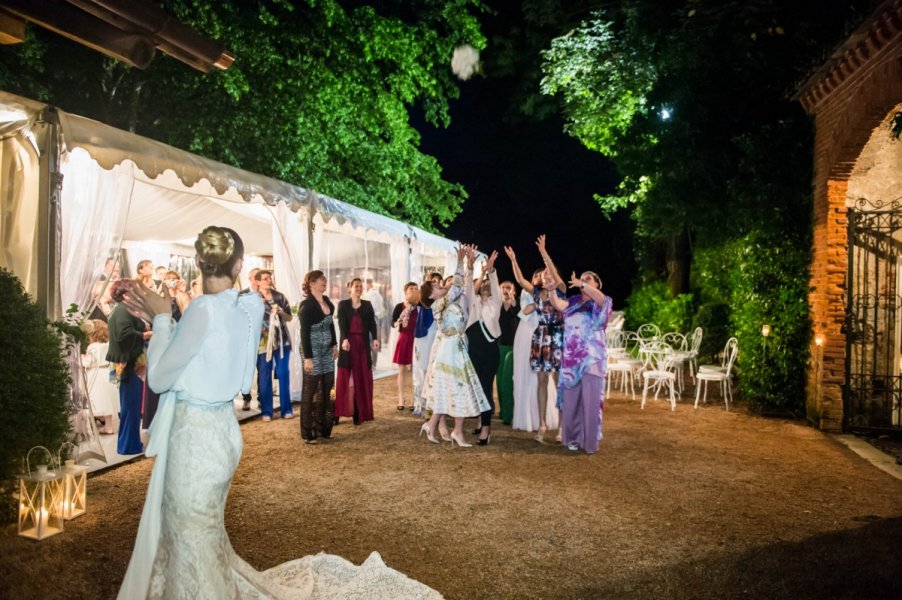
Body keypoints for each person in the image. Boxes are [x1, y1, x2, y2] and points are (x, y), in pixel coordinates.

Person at [117, 226, 438, 599]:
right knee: (201, 537)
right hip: (221, 432)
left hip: (196, 440)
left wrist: (160, 320)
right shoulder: (244, 308)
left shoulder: (203, 309)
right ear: (239, 264)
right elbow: (234, 376)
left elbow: (157, 378)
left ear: (197, 261)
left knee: (190, 537)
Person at [421, 245, 490, 448]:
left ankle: (432, 425)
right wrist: (459, 261)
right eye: (434, 287)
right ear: (431, 296)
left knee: (451, 389)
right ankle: (456, 431)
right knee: (460, 387)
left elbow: (463, 288)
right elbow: (458, 286)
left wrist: (468, 266)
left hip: (456, 347)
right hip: (450, 350)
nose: (439, 285)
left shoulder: (448, 303)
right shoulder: (439, 304)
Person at [548, 270, 613, 454]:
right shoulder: (575, 301)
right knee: (571, 402)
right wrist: (552, 291)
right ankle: (572, 439)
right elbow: (559, 305)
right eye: (581, 279)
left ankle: (590, 443)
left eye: (587, 279)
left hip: (592, 359)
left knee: (591, 403)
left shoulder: (601, 302)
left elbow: (601, 300)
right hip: (571, 361)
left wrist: (582, 284)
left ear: (597, 284)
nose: (582, 282)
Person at [531, 236, 567, 443]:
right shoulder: (537, 294)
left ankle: (562, 426)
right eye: (544, 276)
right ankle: (542, 424)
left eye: (549, 274)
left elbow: (552, 271)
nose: (546, 277)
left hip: (558, 338)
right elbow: (520, 281)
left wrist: (544, 253)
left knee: (559, 381)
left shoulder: (561, 290)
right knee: (542, 381)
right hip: (540, 339)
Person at [105, 279, 147, 455]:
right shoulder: (122, 310)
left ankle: (130, 443)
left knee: (131, 405)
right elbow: (124, 335)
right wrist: (145, 335)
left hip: (128, 362)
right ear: (125, 294)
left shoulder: (122, 310)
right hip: (128, 364)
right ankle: (129, 446)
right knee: (130, 406)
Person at [465, 249, 500, 445]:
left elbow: (494, 282)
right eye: (483, 283)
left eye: (488, 284)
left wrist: (491, 270)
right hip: (474, 352)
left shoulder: (496, 303)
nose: (486, 285)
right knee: (476, 387)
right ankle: (481, 418)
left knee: (486, 387)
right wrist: (470, 265)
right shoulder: (472, 303)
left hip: (491, 351)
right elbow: (469, 287)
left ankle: (486, 428)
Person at [299, 270, 338, 444]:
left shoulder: (328, 301)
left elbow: (331, 325)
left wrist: (335, 344)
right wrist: (308, 357)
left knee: (327, 389)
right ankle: (308, 433)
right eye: (321, 279)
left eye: (325, 278)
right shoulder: (306, 305)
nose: (325, 281)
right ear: (312, 284)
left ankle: (324, 429)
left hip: (327, 350)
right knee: (311, 391)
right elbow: (304, 333)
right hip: (312, 351)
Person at [335, 278, 380, 425]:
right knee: (346, 379)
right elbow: (342, 325)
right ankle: (338, 411)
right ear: (350, 288)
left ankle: (358, 412)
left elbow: (372, 323)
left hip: (363, 347)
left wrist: (375, 338)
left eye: (361, 286)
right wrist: (344, 340)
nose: (359, 288)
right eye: (356, 286)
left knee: (361, 379)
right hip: (348, 345)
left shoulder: (367, 305)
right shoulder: (343, 305)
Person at [255, 269, 294, 422]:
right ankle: (267, 411)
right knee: (264, 377)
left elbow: (289, 317)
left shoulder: (280, 296)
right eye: (265, 279)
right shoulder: (253, 298)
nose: (268, 281)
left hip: (282, 341)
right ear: (258, 282)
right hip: (263, 342)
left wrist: (281, 313)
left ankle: (287, 409)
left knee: (283, 373)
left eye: (269, 278)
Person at [412, 272, 443, 416]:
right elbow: (413, 298)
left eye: (438, 281)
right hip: (424, 336)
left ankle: (435, 406)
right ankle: (421, 404)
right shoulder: (423, 298)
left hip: (437, 335)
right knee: (421, 370)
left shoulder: (443, 299)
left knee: (435, 371)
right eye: (433, 282)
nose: (437, 283)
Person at [82, 320, 118, 434]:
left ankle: (87, 427)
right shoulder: (108, 344)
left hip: (96, 374)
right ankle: (109, 426)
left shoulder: (93, 346)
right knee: (107, 401)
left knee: (93, 399)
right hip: (107, 372)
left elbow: (90, 362)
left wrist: (82, 359)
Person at [392, 282, 420, 411]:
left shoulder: (421, 306)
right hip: (403, 339)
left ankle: (415, 399)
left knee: (416, 371)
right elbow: (392, 322)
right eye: (411, 289)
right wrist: (397, 322)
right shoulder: (399, 306)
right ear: (406, 292)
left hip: (417, 340)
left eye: (416, 289)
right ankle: (401, 398)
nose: (413, 291)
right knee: (402, 370)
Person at [496, 280, 519, 425]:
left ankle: (510, 413)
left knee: (508, 380)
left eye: (509, 287)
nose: (505, 290)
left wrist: (512, 300)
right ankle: (503, 410)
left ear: (514, 290)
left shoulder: (518, 306)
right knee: (499, 381)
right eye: (503, 287)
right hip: (499, 346)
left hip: (514, 347)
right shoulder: (496, 306)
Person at [240, 267, 261, 411]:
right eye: (255, 277)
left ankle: (261, 398)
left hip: (265, 337)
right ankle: (246, 397)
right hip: (247, 336)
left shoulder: (267, 295)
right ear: (250, 278)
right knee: (246, 367)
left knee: (263, 370)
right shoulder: (242, 294)